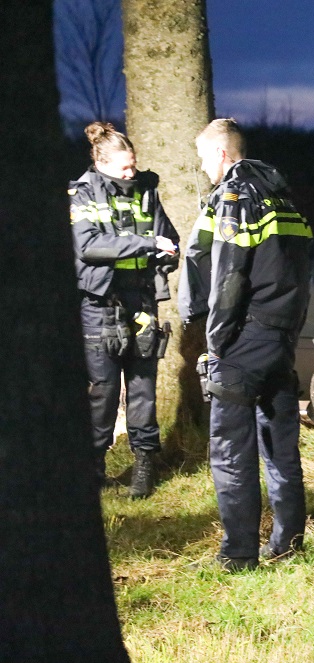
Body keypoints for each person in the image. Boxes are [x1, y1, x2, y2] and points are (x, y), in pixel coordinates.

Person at [178, 118, 312, 572]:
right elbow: (301, 276)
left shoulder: (233, 198)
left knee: (231, 451)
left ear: (220, 154)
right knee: (280, 447)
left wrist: (216, 340)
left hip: (242, 339)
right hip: (280, 339)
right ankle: (289, 541)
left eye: (202, 157)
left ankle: (238, 555)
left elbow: (229, 275)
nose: (202, 166)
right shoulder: (285, 199)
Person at [70, 121, 179, 498]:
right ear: (101, 162)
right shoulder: (82, 193)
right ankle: (93, 465)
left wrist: (167, 253)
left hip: (143, 302)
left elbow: (168, 235)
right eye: (124, 168)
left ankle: (144, 466)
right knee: (101, 389)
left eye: (133, 164)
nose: (132, 172)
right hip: (100, 306)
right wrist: (147, 243)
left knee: (142, 386)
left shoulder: (147, 190)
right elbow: (89, 246)